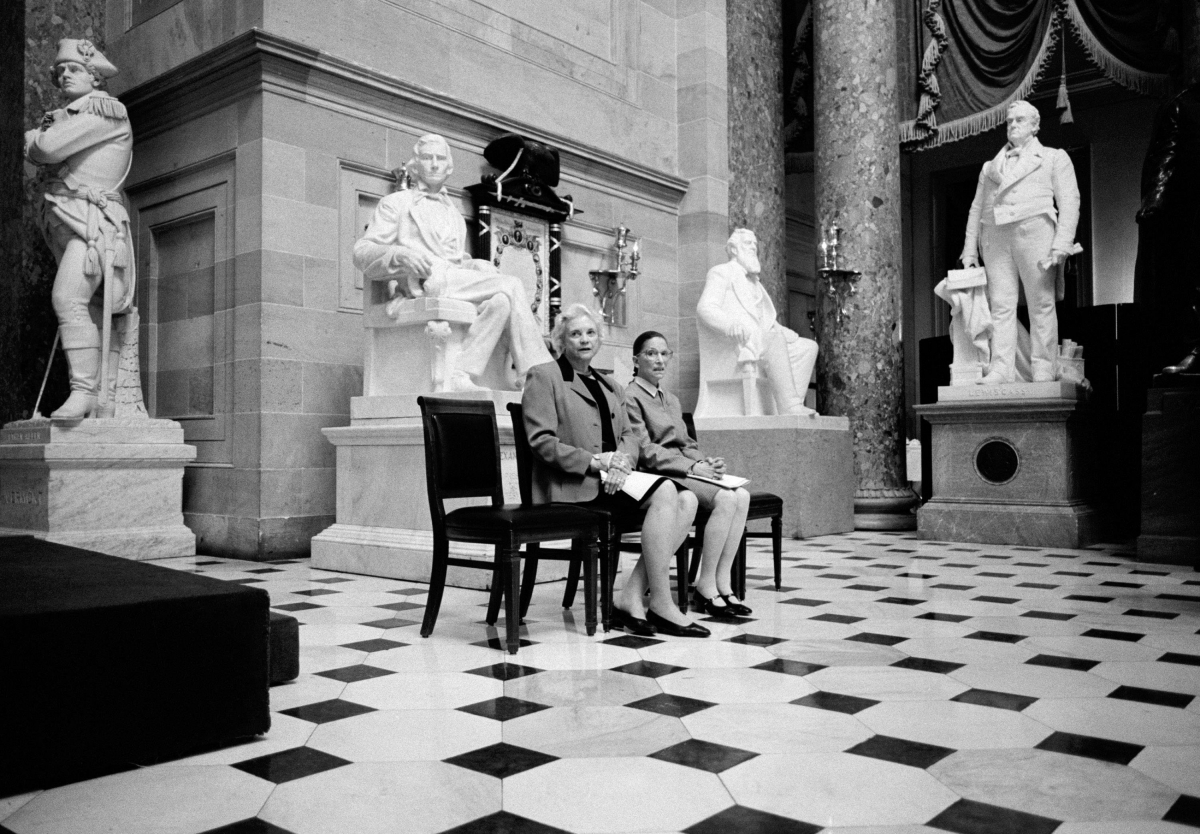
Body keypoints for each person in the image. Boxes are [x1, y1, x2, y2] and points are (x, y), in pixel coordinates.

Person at [522, 305, 709, 638]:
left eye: (590, 333)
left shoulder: (609, 385)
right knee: (667, 491)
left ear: (599, 339)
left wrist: (622, 462)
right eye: (575, 333)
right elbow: (541, 442)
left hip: (615, 480)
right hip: (574, 485)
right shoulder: (544, 376)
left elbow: (628, 437)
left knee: (689, 501)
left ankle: (632, 596)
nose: (584, 339)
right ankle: (662, 604)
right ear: (561, 338)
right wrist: (598, 462)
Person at [354, 133, 552, 391]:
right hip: (423, 282)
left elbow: (456, 261)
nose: (434, 164)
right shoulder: (395, 204)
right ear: (416, 165)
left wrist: (476, 266)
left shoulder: (453, 213)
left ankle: (462, 373)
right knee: (512, 284)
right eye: (427, 158)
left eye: (440, 158)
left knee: (501, 302)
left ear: (449, 167)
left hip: (450, 279)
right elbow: (362, 252)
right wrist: (400, 256)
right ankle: (537, 375)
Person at [24, 39, 134, 419]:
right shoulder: (68, 115)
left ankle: (85, 392)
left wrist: (32, 139)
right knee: (79, 305)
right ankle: (96, 393)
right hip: (71, 220)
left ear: (94, 77)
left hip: (94, 228)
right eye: (59, 71)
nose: (64, 75)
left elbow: (48, 150)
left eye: (74, 69)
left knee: (67, 299)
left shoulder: (107, 111)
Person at [625, 331, 753, 618]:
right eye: (651, 353)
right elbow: (645, 450)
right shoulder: (630, 396)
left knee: (741, 495)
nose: (659, 360)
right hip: (659, 473)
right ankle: (705, 586)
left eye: (664, 353)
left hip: (686, 468)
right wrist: (693, 468)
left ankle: (722, 583)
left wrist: (705, 462)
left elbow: (687, 444)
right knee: (726, 500)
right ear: (636, 360)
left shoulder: (670, 399)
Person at [961, 100, 1081, 384]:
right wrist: (969, 249)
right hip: (995, 236)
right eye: (1009, 121)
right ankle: (1002, 367)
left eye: (1019, 120)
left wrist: (1062, 242)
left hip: (1035, 231)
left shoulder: (1053, 157)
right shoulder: (990, 167)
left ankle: (1042, 365)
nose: (1013, 125)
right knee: (1001, 305)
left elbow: (1069, 200)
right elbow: (976, 209)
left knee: (1041, 303)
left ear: (1035, 126)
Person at [696, 228, 818, 416]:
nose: (753, 247)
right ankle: (790, 407)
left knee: (808, 347)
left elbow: (763, 317)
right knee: (774, 339)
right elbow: (705, 308)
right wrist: (729, 325)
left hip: (761, 339)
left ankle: (788, 405)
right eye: (748, 244)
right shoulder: (721, 272)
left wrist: (781, 329)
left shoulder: (756, 283)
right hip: (740, 341)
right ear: (734, 250)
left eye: (755, 244)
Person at [1134, 80, 1200, 378]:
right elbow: (1165, 157)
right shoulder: (1183, 105)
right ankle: (1196, 349)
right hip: (1193, 209)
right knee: (1192, 280)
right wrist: (1154, 201)